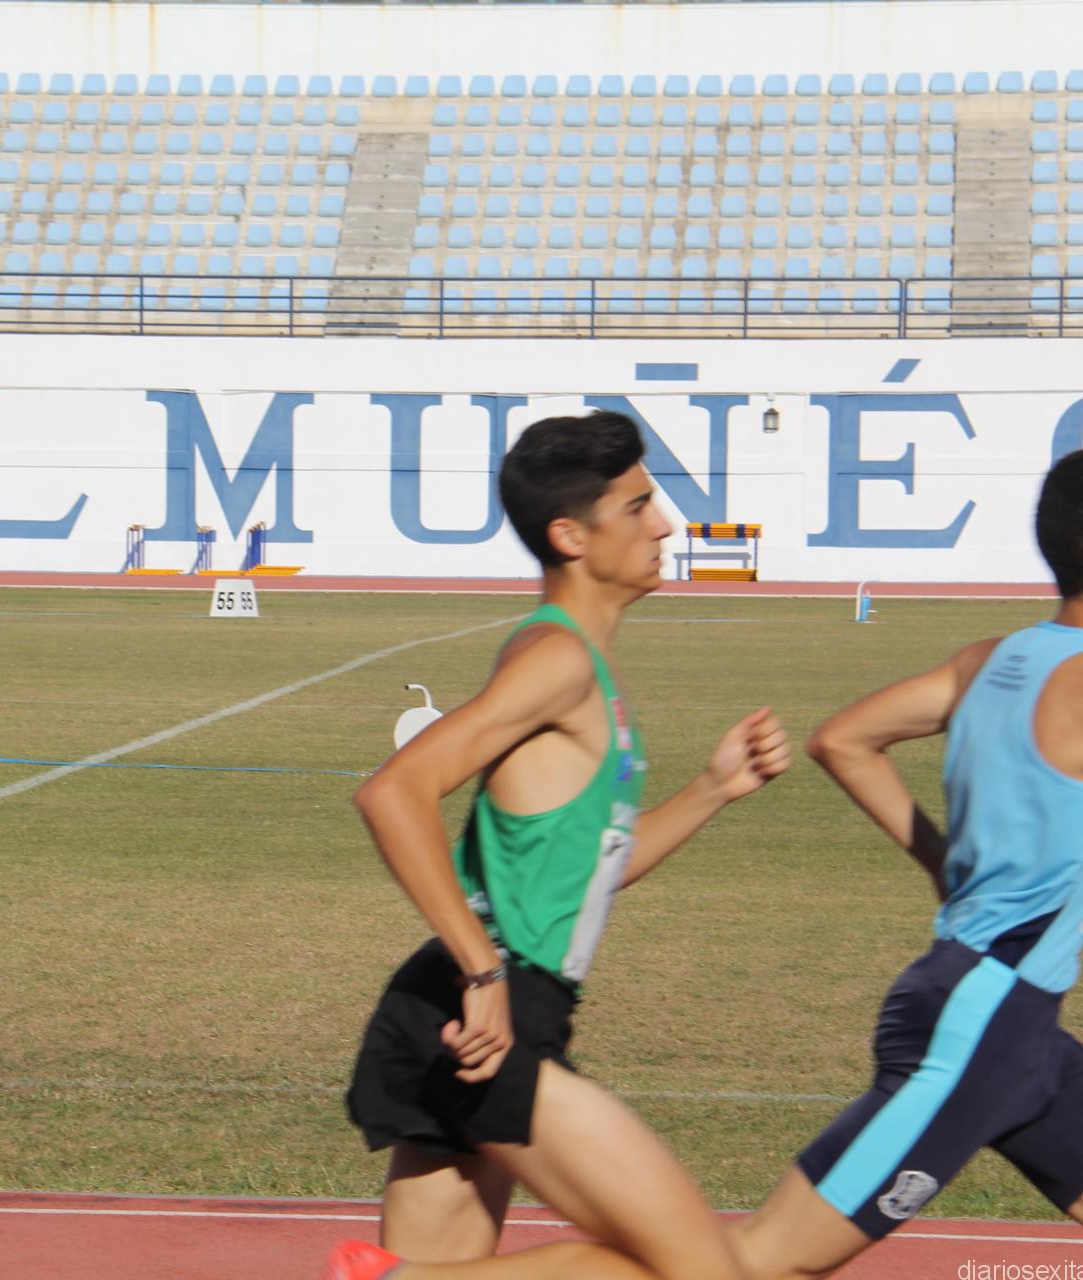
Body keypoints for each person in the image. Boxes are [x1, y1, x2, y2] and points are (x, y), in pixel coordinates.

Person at [323, 410, 790, 1280]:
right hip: (487, 1005)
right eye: (639, 508)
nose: (665, 526)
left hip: (464, 1006)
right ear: (572, 536)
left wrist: (712, 789)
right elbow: (392, 792)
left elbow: (581, 876)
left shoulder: (575, 664)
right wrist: (484, 973)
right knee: (699, 1270)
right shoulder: (558, 661)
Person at [733, 442, 1083, 1279]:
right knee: (756, 1262)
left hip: (1017, 1029)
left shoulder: (989, 661)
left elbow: (844, 740)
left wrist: (943, 865)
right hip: (979, 1026)